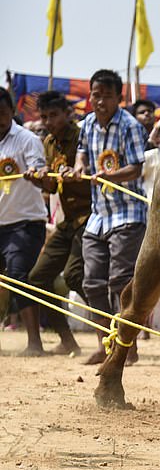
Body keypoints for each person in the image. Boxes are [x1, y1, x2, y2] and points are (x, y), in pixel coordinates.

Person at [64, 69, 149, 365]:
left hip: (128, 214)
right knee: (92, 284)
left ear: (119, 98)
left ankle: (128, 346)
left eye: (107, 96)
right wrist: (79, 166)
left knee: (120, 282)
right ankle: (107, 342)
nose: (100, 101)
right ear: (90, 96)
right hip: (98, 217)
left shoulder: (130, 125)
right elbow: (82, 153)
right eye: (95, 95)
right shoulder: (86, 123)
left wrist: (111, 175)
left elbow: (137, 168)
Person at [19, 91, 89, 356]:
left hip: (90, 218)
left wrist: (77, 176)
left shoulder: (82, 137)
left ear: (67, 114)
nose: (48, 121)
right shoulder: (47, 142)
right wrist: (36, 179)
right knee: (37, 278)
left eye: (54, 115)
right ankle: (67, 340)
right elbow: (49, 185)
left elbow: (91, 173)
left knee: (75, 276)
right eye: (44, 116)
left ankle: (112, 328)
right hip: (66, 220)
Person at [0, 87, 48, 356]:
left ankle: (35, 343)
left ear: (11, 113)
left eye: (3, 114)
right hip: (0, 223)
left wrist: (36, 173)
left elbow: (40, 169)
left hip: (26, 223)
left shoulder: (27, 139)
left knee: (18, 277)